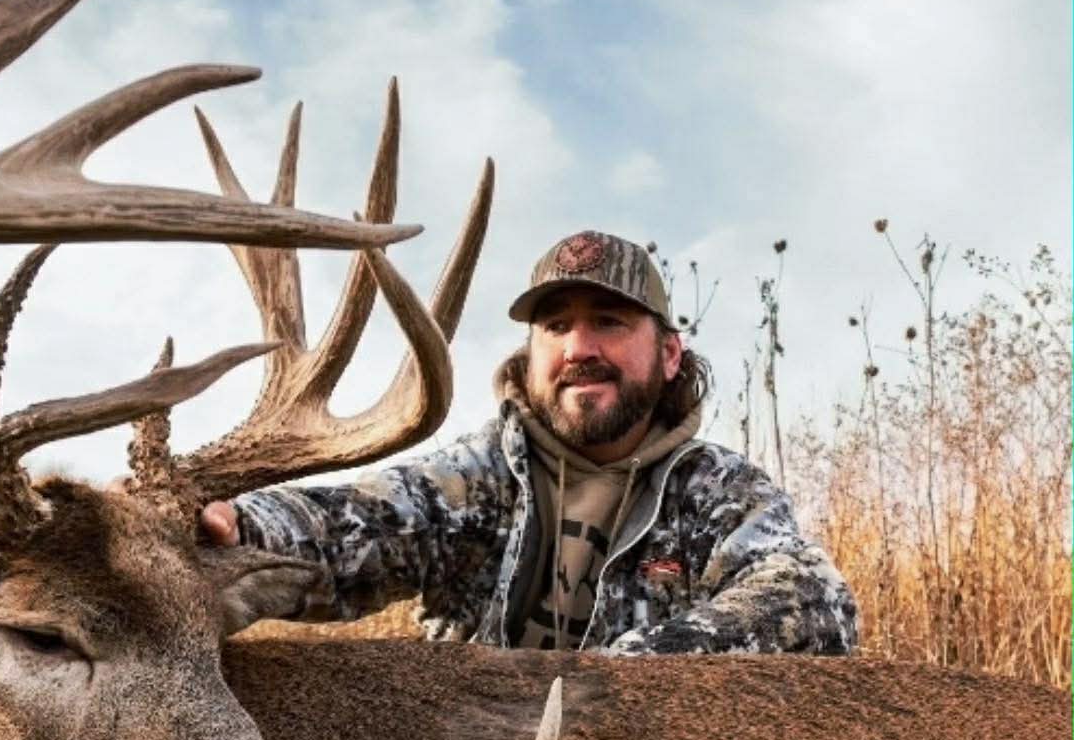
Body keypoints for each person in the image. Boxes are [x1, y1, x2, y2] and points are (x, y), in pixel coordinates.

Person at [201, 229, 858, 655]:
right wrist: (239, 526)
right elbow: (358, 522)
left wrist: (631, 675)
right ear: (530, 350)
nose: (578, 348)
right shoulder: (482, 476)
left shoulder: (715, 490)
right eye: (556, 326)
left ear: (667, 354)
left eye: (609, 322)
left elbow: (813, 600)